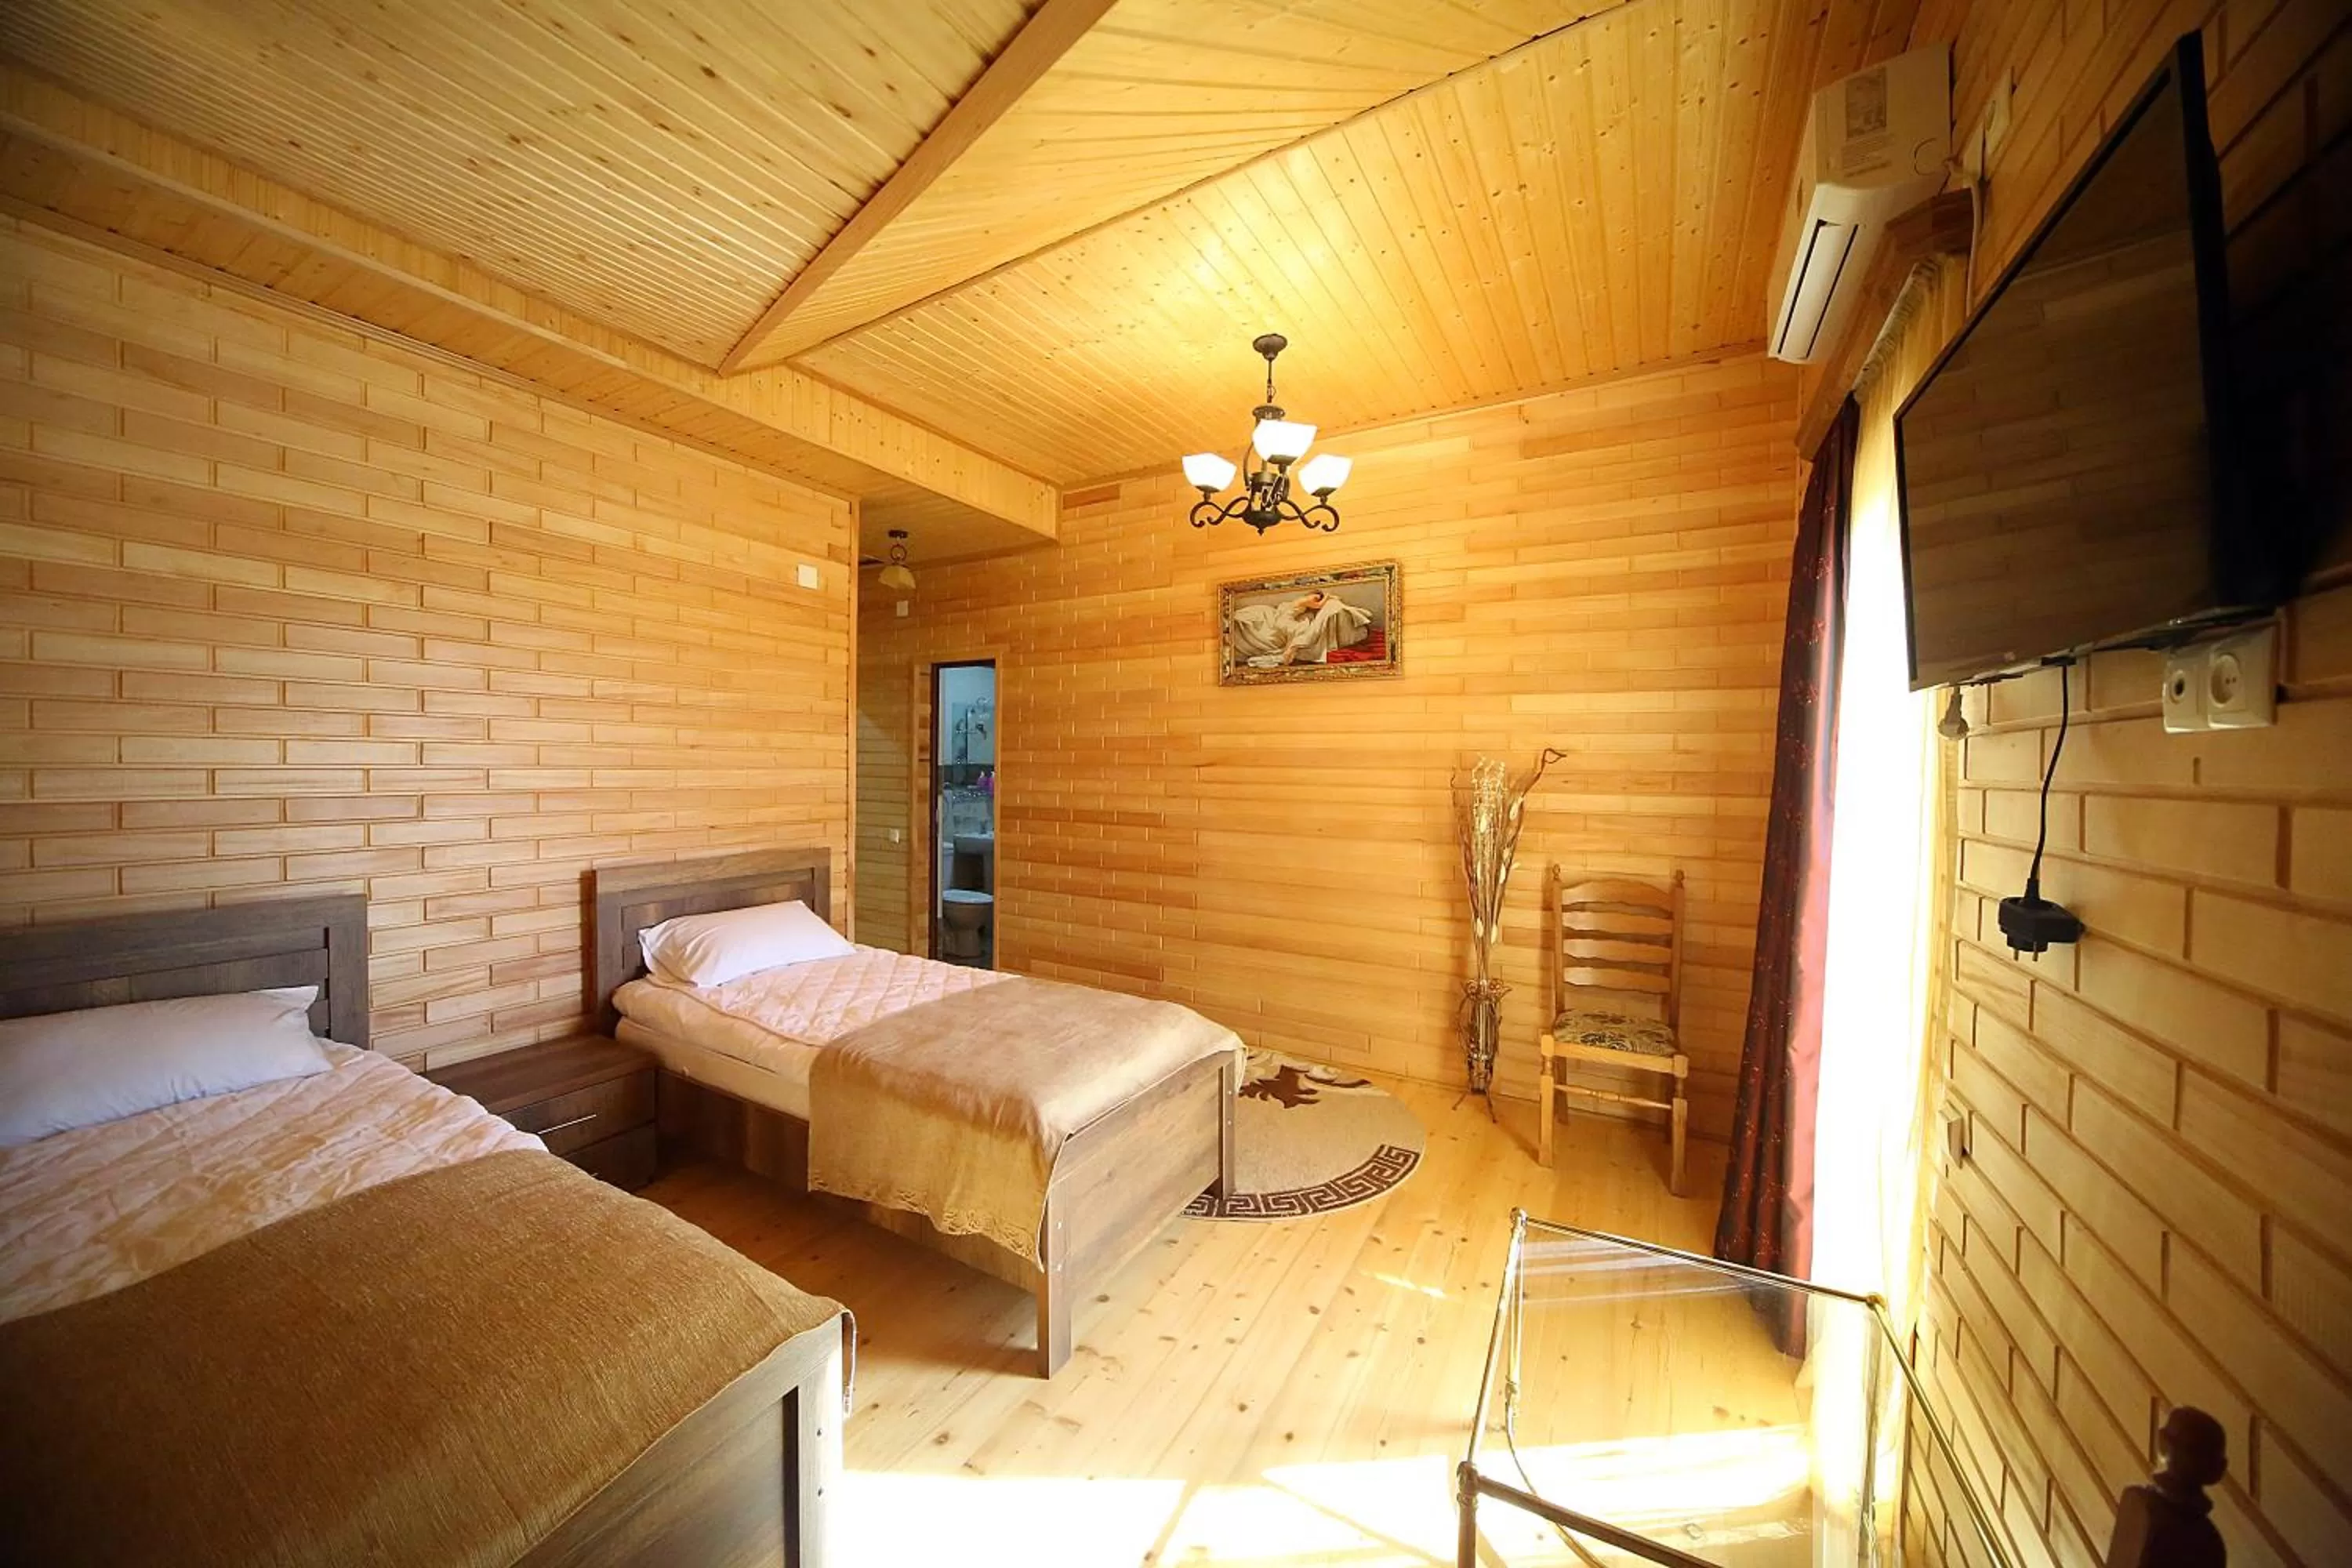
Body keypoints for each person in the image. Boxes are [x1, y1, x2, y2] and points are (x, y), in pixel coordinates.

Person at [1229, 589, 1373, 666]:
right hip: (1278, 622)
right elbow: (1289, 620)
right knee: (1260, 621)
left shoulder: (1308, 622)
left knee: (1260, 627)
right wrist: (1324, 600)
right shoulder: (1309, 608)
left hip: (1281, 626)